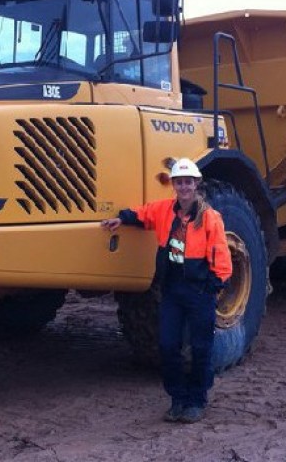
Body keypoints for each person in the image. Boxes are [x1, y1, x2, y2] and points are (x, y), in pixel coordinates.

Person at [101, 158, 232, 423]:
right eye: (179, 182)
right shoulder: (165, 211)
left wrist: (214, 285)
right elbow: (144, 214)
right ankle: (177, 399)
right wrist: (123, 219)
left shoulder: (209, 218)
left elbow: (221, 254)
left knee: (200, 348)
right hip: (172, 292)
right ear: (174, 185)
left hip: (199, 293)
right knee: (168, 345)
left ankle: (196, 400)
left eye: (188, 182)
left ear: (196, 184)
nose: (184, 187)